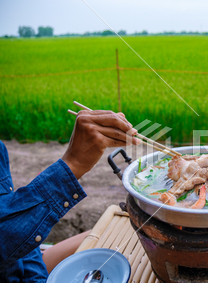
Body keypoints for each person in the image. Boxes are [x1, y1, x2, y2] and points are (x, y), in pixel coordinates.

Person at [0, 110, 139, 282]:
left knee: (127, 230)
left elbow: (13, 222)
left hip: (18, 264)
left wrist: (37, 278)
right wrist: (74, 163)